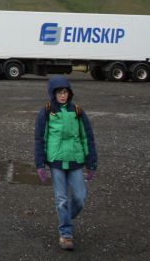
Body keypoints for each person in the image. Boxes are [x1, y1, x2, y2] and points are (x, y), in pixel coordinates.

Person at [34, 75, 97, 251]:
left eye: (66, 92)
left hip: (76, 161)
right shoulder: (46, 112)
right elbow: (40, 139)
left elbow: (87, 137)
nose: (63, 95)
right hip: (56, 162)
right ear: (52, 94)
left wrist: (91, 162)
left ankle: (65, 218)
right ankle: (66, 234)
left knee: (80, 198)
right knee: (61, 199)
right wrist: (40, 164)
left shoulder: (77, 111)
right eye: (59, 92)